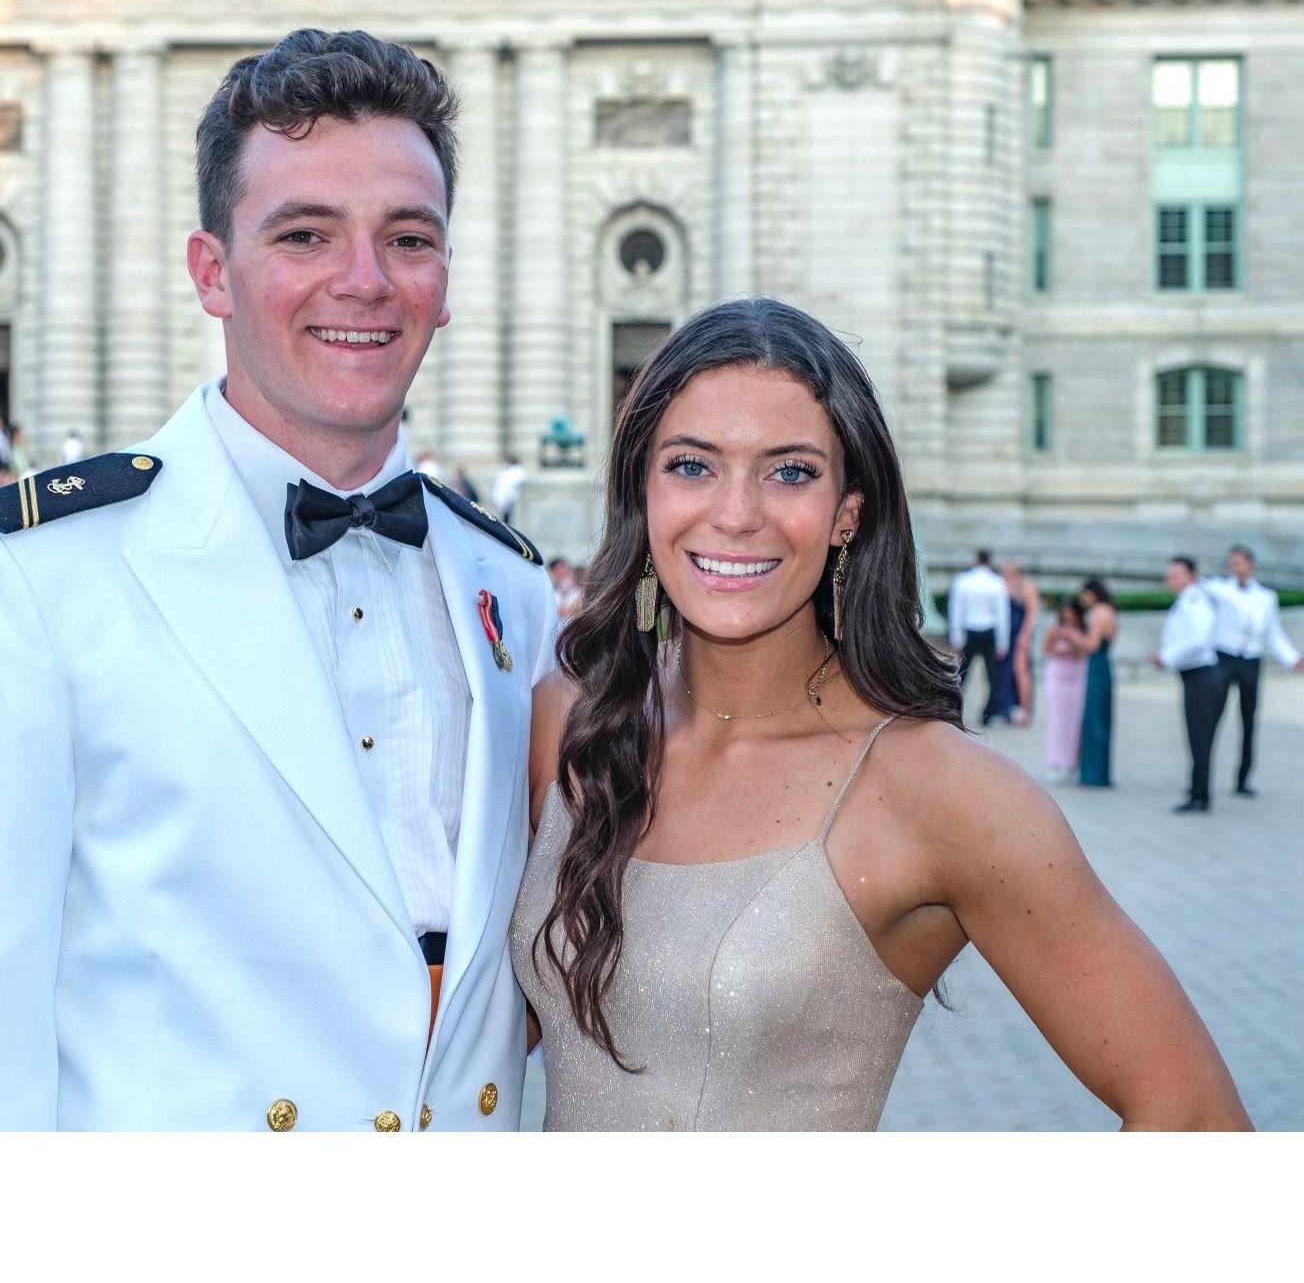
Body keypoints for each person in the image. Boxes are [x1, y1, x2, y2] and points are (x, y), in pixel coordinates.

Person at [0, 26, 558, 1131]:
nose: (364, 281)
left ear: (446, 278)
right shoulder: (35, 580)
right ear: (210, 273)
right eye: (304, 233)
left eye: (408, 238)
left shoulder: (510, 593)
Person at [511, 297, 1249, 1131]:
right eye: (691, 465)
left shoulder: (936, 790)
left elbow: (1195, 1118)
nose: (736, 513)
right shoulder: (566, 727)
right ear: (642, 489)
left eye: (789, 471)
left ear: (848, 515)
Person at [1204, 546, 1303, 797]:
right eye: (1231, 564)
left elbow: (1273, 633)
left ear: (1250, 564)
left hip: (1250, 660)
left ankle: (1243, 779)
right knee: (1211, 719)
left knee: (1248, 720)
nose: (1234, 568)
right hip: (1224, 657)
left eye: (1238, 563)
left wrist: (1292, 659)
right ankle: (1201, 777)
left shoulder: (1265, 597)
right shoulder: (1219, 589)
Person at [1150, 558, 1225, 814]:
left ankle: (1200, 796)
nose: (1171, 579)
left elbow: (1198, 640)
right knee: (1196, 737)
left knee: (1200, 737)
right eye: (1169, 575)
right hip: (1193, 676)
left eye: (1176, 575)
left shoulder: (1195, 601)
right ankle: (1197, 789)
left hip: (1202, 677)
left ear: (1191, 576)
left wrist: (1166, 657)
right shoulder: (1187, 600)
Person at [1066, 579, 1119, 787]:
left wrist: (1073, 636)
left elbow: (1092, 644)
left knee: (1094, 718)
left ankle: (1093, 774)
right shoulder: (1109, 611)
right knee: (1100, 717)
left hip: (1096, 664)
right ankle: (1099, 772)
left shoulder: (1099, 612)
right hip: (1102, 665)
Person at [947, 551, 1010, 724]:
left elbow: (956, 611)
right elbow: (1002, 615)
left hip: (969, 631)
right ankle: (988, 713)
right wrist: (1003, 643)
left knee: (961, 675)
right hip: (989, 631)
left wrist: (956, 638)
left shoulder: (963, 581)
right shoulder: (997, 582)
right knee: (991, 677)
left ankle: (953, 710)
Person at [987, 557, 1039, 726]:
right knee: (1003, 671)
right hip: (1003, 633)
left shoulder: (1026, 585)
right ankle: (1005, 709)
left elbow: (1032, 613)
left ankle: (1024, 710)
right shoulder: (999, 583)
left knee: (1020, 669)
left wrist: (1025, 635)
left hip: (1019, 633)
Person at [1040, 598, 1088, 780]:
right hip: (1058, 674)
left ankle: (1073, 761)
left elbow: (1086, 650)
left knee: (1076, 719)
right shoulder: (1054, 629)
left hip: (1077, 673)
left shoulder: (1082, 631)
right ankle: (1056, 760)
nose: (1068, 617)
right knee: (1057, 719)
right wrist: (1060, 647)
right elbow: (1046, 650)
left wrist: (1074, 642)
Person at [491, 456, 528, 526]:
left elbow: (508, 487)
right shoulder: (505, 472)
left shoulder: (516, 472)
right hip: (504, 500)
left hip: (511, 499)